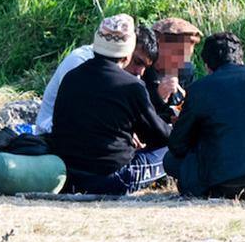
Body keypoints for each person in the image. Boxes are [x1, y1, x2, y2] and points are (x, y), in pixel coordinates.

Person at [164, 33, 245, 200]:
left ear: (207, 66)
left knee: (170, 160)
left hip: (225, 184)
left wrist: (192, 131)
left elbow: (177, 145)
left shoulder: (200, 88)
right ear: (241, 59)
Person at [50, 14, 172, 195]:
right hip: (112, 178)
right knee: (171, 148)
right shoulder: (132, 85)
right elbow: (159, 136)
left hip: (68, 175)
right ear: (127, 54)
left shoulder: (72, 77)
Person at [143, 17, 202, 131]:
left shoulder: (186, 70)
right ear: (158, 47)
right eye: (178, 55)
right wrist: (158, 97)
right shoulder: (140, 69)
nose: (181, 63)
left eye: (186, 57)